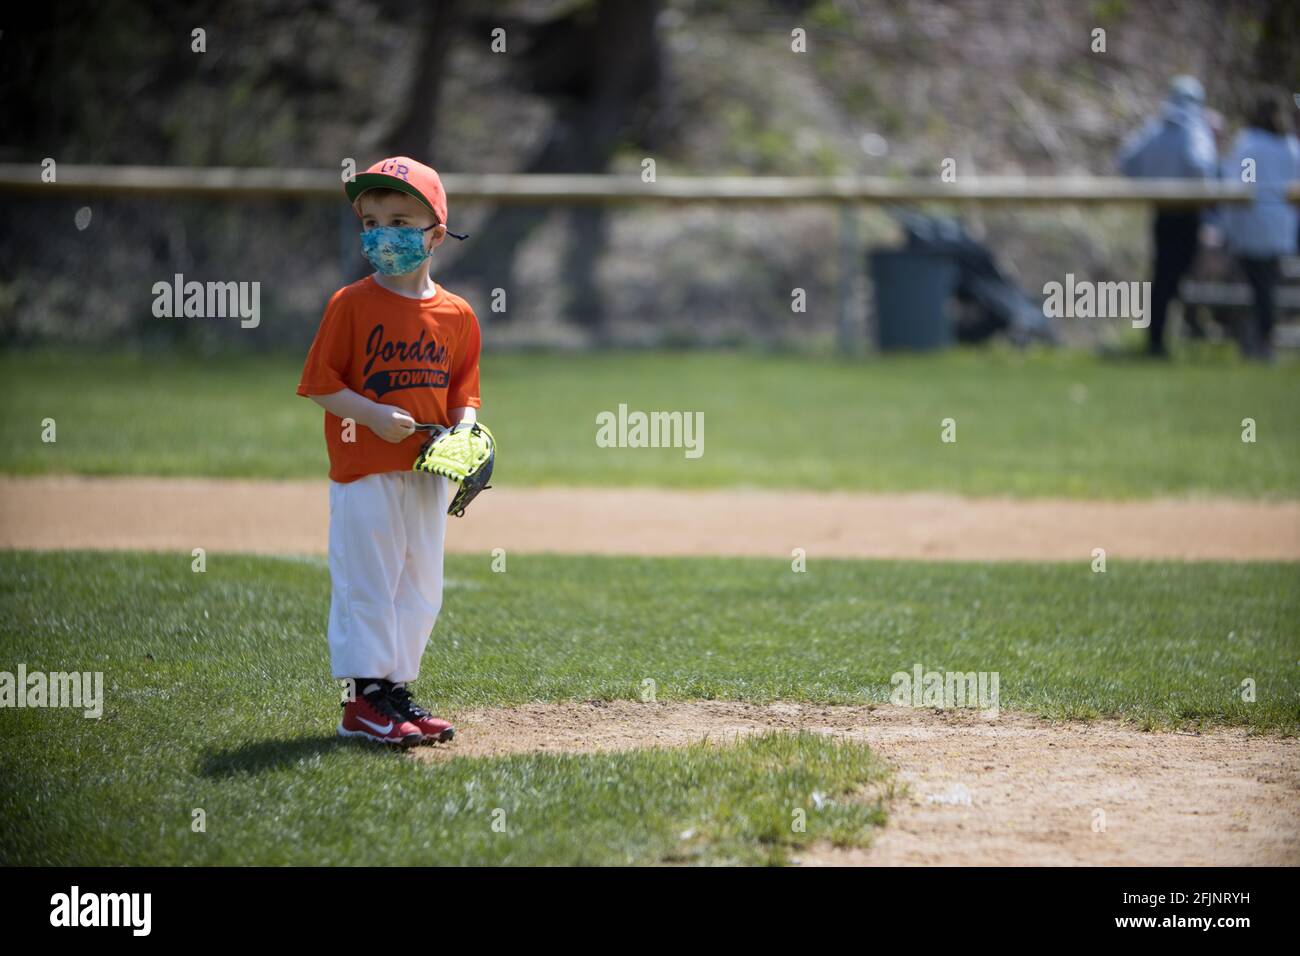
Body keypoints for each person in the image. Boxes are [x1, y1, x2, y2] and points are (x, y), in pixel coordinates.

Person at [297, 157, 481, 745]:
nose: (382, 233)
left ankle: (396, 693)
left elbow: (463, 394)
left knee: (420, 584)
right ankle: (361, 701)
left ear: (435, 232)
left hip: (427, 473)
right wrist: (373, 415)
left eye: (400, 218)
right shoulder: (350, 303)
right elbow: (322, 385)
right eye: (371, 220)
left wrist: (467, 433)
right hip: (364, 469)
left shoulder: (457, 315)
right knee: (368, 582)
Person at [1117, 75, 1218, 357]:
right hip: (1187, 213)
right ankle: (1182, 334)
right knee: (1177, 274)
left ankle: (1158, 338)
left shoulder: (1155, 128)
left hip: (1162, 211)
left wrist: (1151, 181)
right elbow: (1201, 166)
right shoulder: (1196, 128)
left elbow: (1126, 162)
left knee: (1163, 274)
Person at [1219, 93, 1300, 361]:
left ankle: (1258, 342)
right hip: (1279, 225)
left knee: (1259, 287)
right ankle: (1258, 340)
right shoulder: (1288, 146)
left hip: (1253, 223)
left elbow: (1242, 183)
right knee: (1264, 286)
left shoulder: (1250, 144)